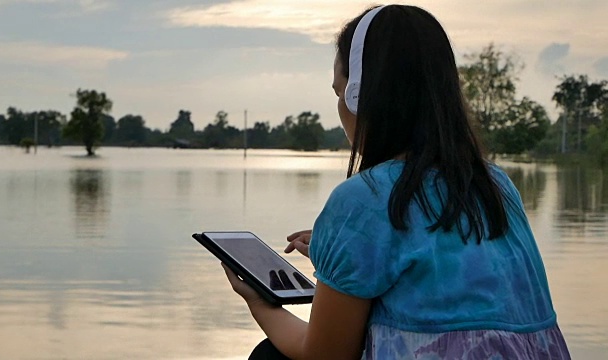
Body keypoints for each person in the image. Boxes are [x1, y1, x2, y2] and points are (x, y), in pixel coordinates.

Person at [222, 4, 571, 359]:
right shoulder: (494, 183)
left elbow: (324, 355)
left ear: (360, 95)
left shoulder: (363, 198)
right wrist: (340, 253)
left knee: (271, 356)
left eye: (339, 92)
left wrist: (259, 301)